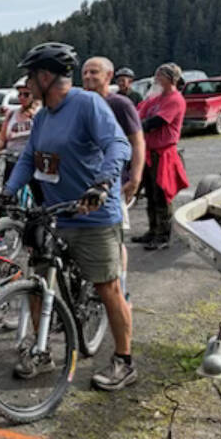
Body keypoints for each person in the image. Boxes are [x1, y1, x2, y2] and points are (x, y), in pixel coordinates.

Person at [2, 42, 134, 391]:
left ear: (45, 77)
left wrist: (104, 183)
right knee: (39, 282)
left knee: (107, 287)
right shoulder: (43, 115)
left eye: (30, 76)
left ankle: (124, 360)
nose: (26, 83)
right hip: (55, 215)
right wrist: (8, 191)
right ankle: (42, 350)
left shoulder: (87, 103)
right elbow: (30, 158)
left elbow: (119, 145)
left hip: (93, 214)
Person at [82, 57, 146, 296]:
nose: (88, 77)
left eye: (94, 72)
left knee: (114, 238)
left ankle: (121, 287)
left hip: (112, 181)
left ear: (108, 76)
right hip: (84, 182)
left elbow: (137, 141)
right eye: (85, 72)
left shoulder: (120, 104)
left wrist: (136, 177)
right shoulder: (80, 103)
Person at [132, 63, 189, 251]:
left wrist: (135, 127)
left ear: (170, 79)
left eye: (160, 76)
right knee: (149, 194)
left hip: (163, 154)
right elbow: (138, 113)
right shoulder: (155, 98)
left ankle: (163, 235)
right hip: (149, 152)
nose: (156, 78)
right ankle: (152, 230)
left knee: (162, 195)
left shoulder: (175, 99)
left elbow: (155, 122)